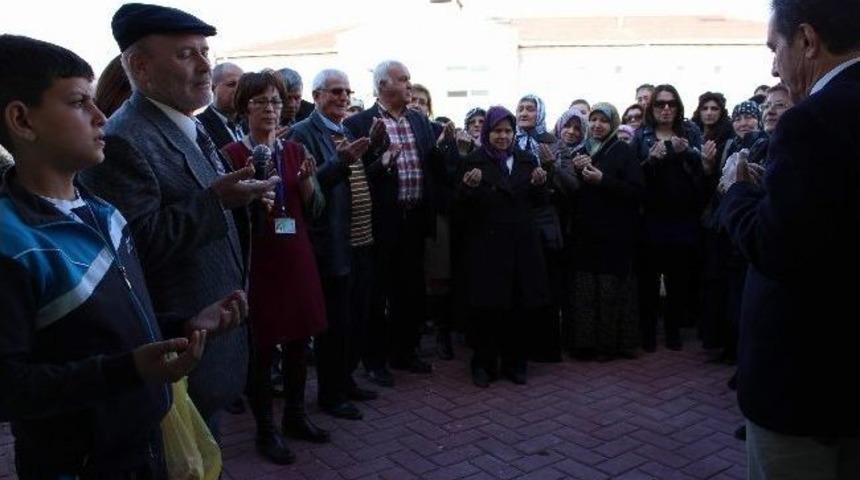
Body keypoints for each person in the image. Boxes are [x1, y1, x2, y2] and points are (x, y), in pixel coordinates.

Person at [0, 34, 246, 479]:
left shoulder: (105, 213)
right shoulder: (12, 242)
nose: (100, 117)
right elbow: (10, 387)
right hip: (79, 464)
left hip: (144, 447)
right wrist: (126, 370)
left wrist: (182, 324)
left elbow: (117, 323)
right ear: (22, 119)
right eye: (79, 102)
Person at [80, 3, 278, 434]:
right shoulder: (123, 139)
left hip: (213, 346)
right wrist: (217, 202)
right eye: (186, 54)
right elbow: (132, 248)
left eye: (205, 51)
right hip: (179, 356)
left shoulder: (187, 122)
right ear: (140, 66)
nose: (205, 64)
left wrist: (238, 200)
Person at [720, 1, 860, 477]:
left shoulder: (811, 121)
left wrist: (737, 191)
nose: (774, 66)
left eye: (775, 48)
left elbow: (778, 248)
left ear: (806, 39)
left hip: (808, 383)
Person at [219, 70, 328, 464]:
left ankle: (297, 416)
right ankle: (266, 430)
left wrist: (308, 184)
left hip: (295, 253)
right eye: (261, 102)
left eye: (277, 102)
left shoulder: (295, 151)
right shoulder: (231, 155)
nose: (271, 109)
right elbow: (225, 217)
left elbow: (315, 210)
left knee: (300, 341)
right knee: (262, 350)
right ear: (244, 107)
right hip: (258, 261)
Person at [344, 60, 453, 381]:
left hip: (415, 220)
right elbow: (355, 175)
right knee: (377, 295)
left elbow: (434, 166)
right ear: (382, 86)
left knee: (411, 292)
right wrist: (381, 163)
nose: (409, 85)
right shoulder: (358, 124)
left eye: (409, 80)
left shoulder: (419, 121)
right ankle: (375, 362)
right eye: (403, 80)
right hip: (379, 223)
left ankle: (405, 353)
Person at [289, 69, 381, 419]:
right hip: (331, 245)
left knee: (356, 318)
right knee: (335, 325)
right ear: (316, 96)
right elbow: (308, 188)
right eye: (334, 92)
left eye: (346, 91)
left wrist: (375, 152)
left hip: (361, 239)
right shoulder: (302, 133)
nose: (343, 97)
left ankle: (346, 381)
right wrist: (340, 162)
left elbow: (357, 177)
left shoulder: (345, 129)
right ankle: (331, 394)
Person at [457, 106, 549, 387]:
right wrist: (467, 188)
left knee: (518, 306)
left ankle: (515, 363)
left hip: (521, 246)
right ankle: (483, 364)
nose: (503, 136)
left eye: (508, 131)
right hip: (488, 247)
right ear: (487, 132)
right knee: (488, 309)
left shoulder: (525, 159)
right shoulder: (473, 160)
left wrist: (540, 183)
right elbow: (460, 209)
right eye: (497, 131)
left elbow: (540, 202)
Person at [558, 103, 644, 361]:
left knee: (609, 291)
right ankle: (585, 346)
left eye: (603, 121)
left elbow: (636, 191)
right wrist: (575, 170)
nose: (597, 125)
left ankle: (610, 346)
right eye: (593, 120)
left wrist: (603, 180)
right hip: (584, 235)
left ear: (613, 124)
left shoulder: (622, 151)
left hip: (613, 236)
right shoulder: (581, 151)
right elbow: (572, 192)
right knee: (585, 291)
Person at [630, 84, 705, 352]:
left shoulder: (690, 132)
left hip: (682, 218)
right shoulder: (641, 136)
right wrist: (649, 160)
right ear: (652, 108)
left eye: (671, 104)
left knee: (678, 280)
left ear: (678, 107)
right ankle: (648, 333)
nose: (665, 109)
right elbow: (632, 180)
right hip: (650, 218)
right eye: (660, 104)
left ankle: (673, 332)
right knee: (648, 281)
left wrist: (689, 154)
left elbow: (704, 174)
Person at [515, 93, 563, 362]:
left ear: (540, 113)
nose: (524, 113)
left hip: (545, 220)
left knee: (546, 283)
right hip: (520, 219)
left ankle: (546, 348)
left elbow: (563, 184)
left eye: (530, 109)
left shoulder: (550, 142)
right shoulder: (509, 141)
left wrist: (549, 167)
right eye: (520, 108)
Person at [197, 62, 244, 149]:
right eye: (231, 84)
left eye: (242, 85)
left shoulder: (250, 123)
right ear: (213, 88)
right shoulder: (200, 126)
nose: (239, 90)